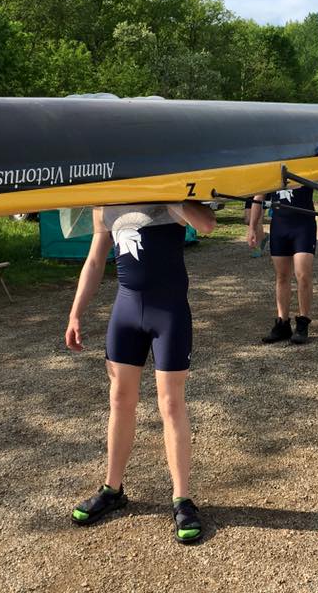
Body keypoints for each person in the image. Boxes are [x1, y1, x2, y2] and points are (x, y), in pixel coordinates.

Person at [65, 201, 215, 544]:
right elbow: (94, 261)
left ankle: (182, 499)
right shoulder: (107, 202)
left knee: (171, 403)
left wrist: (173, 196)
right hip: (127, 310)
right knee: (120, 399)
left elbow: (207, 224)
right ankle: (112, 489)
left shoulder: (168, 191)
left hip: (169, 312)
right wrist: (75, 313)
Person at [248, 185, 318, 345]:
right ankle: (282, 323)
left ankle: (302, 323)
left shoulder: (306, 170)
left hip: (304, 227)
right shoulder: (271, 171)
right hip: (280, 227)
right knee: (282, 276)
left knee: (303, 275)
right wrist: (252, 227)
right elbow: (258, 197)